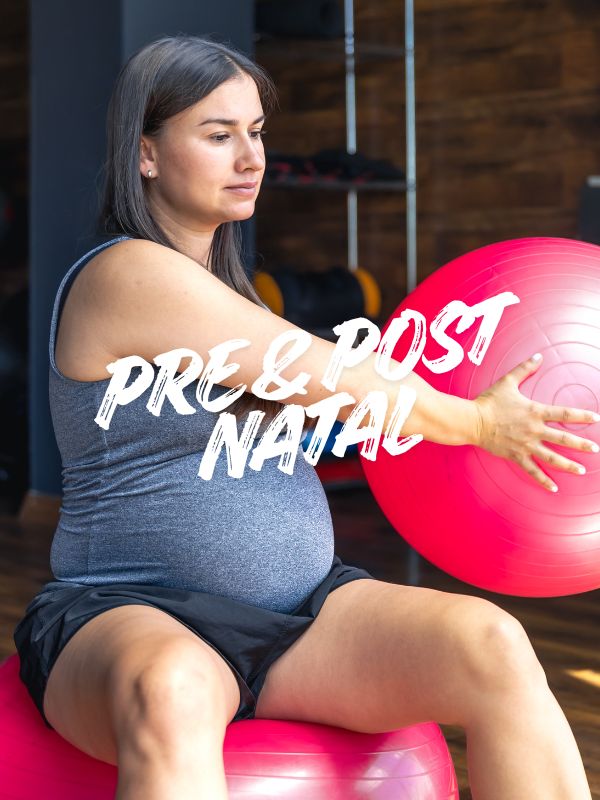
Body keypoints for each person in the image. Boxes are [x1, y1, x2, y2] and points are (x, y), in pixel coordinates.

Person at [14, 35, 595, 800]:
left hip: (304, 621)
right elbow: (321, 373)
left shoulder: (232, 291)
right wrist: (480, 424)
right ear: (146, 155)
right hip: (129, 611)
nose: (250, 157)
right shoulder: (125, 274)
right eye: (218, 135)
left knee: (492, 644)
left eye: (255, 132)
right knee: (175, 685)